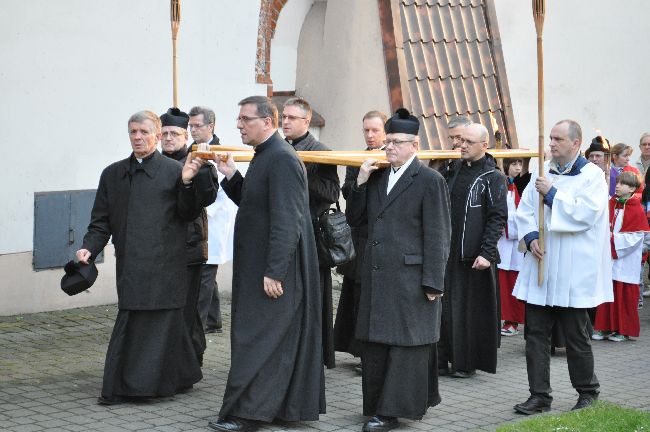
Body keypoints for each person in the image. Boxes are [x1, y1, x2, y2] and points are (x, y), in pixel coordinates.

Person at [76, 110, 209, 404]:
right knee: (133, 319)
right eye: (133, 132)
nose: (137, 137)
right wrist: (89, 247)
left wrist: (188, 182)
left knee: (165, 322)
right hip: (131, 263)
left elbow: (189, 213)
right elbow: (101, 221)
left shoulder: (175, 171)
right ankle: (140, 382)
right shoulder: (112, 174)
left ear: (158, 135)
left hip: (167, 263)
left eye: (144, 132)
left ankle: (158, 383)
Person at [208, 96, 324, 432]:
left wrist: (275, 271)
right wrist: (230, 176)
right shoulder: (266, 154)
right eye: (239, 119)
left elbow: (288, 219)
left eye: (245, 119)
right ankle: (272, 408)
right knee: (267, 339)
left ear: (267, 122)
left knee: (260, 340)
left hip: (273, 270)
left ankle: (249, 415)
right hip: (260, 266)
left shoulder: (282, 159)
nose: (239, 125)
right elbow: (256, 203)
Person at [346, 108, 451, 432]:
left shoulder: (429, 180)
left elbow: (438, 234)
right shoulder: (376, 176)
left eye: (396, 142)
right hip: (378, 275)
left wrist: (433, 281)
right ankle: (377, 406)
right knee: (377, 345)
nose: (388, 147)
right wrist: (359, 184)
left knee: (407, 346)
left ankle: (391, 412)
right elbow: (356, 219)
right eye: (387, 141)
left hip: (411, 278)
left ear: (414, 145)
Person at [512, 119, 613, 415]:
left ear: (575, 143)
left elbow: (587, 214)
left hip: (572, 269)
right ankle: (539, 395)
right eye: (551, 138)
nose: (552, 143)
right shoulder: (544, 172)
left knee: (576, 335)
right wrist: (530, 237)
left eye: (558, 139)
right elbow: (526, 210)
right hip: (542, 264)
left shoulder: (592, 176)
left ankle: (587, 392)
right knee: (535, 335)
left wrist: (553, 194)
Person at [438, 122, 507, 378]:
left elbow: (497, 217)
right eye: (460, 140)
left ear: (484, 146)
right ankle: (440, 359)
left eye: (468, 142)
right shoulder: (452, 169)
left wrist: (487, 253)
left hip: (473, 255)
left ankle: (465, 364)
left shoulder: (493, 177)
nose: (461, 145)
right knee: (444, 308)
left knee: (467, 311)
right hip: (448, 249)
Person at [282, 97, 340, 369]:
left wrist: (305, 175)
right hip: (283, 232)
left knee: (311, 297)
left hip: (310, 235)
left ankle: (311, 354)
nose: (286, 122)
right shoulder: (277, 148)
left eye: (292, 118)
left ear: (306, 122)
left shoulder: (321, 151)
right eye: (284, 116)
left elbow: (331, 193)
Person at [160, 107, 219, 365]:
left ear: (186, 136)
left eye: (174, 133)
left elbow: (207, 197)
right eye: (164, 134)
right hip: (160, 248)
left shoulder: (198, 160)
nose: (168, 138)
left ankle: (190, 361)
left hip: (189, 246)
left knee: (189, 310)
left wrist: (199, 172)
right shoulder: (155, 163)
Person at [334, 110, 387, 373]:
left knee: (375, 298)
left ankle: (373, 353)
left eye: (375, 130)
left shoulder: (393, 158)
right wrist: (360, 181)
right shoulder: (357, 159)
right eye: (366, 130)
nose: (369, 135)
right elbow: (349, 199)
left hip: (383, 240)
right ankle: (360, 351)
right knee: (357, 295)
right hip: (361, 236)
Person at [189, 106, 237, 335]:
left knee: (206, 271)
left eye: (197, 126)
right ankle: (213, 319)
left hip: (214, 218)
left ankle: (198, 323)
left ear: (211, 126)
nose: (192, 130)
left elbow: (221, 189)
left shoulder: (219, 151)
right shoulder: (192, 149)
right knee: (206, 270)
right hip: (198, 217)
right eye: (190, 126)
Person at [593, 171, 649, 341]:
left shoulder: (635, 207)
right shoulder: (611, 203)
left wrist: (613, 239)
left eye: (622, 183)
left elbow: (637, 236)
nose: (617, 186)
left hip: (626, 259)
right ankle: (605, 327)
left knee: (623, 295)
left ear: (632, 188)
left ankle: (622, 330)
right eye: (617, 182)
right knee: (607, 292)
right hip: (609, 257)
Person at [497, 158, 526, 336]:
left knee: (512, 282)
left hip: (513, 244)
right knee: (500, 282)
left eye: (520, 164)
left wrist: (505, 223)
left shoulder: (517, 186)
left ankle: (512, 321)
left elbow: (519, 214)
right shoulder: (502, 184)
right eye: (514, 164)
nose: (517, 167)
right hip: (501, 243)